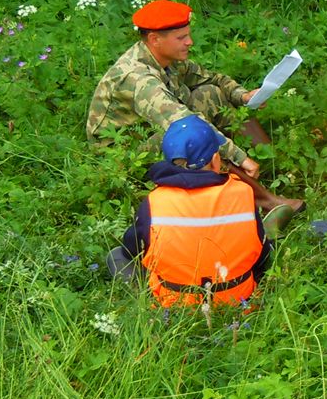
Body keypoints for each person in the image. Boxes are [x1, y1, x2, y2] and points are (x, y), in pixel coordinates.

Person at [87, 0, 301, 220]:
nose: (189, 42)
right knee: (192, 138)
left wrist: (243, 96)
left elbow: (213, 79)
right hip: (124, 153)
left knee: (210, 93)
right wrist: (238, 156)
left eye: (188, 35)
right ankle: (264, 202)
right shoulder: (138, 78)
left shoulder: (166, 56)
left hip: (152, 127)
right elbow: (185, 123)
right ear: (154, 39)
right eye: (181, 38)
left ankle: (273, 167)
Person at [107, 115, 271, 308]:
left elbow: (132, 249)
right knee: (265, 247)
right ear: (216, 160)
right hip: (235, 300)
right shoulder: (243, 193)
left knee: (117, 256)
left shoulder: (155, 202)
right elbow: (262, 255)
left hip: (176, 304)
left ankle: (146, 300)